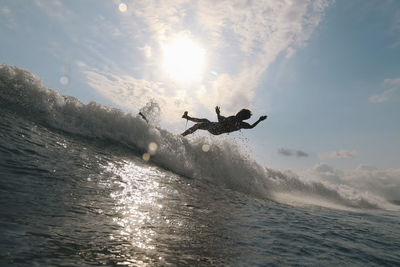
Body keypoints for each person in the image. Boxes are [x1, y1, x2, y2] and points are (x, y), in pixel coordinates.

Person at [181, 106, 267, 136]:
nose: (238, 113)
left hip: (216, 129)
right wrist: (259, 120)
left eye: (240, 113)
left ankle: (182, 136)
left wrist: (218, 114)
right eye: (239, 112)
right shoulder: (242, 124)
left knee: (200, 124)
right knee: (204, 120)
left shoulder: (236, 121)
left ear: (241, 116)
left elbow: (221, 121)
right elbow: (251, 126)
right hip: (215, 127)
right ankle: (187, 117)